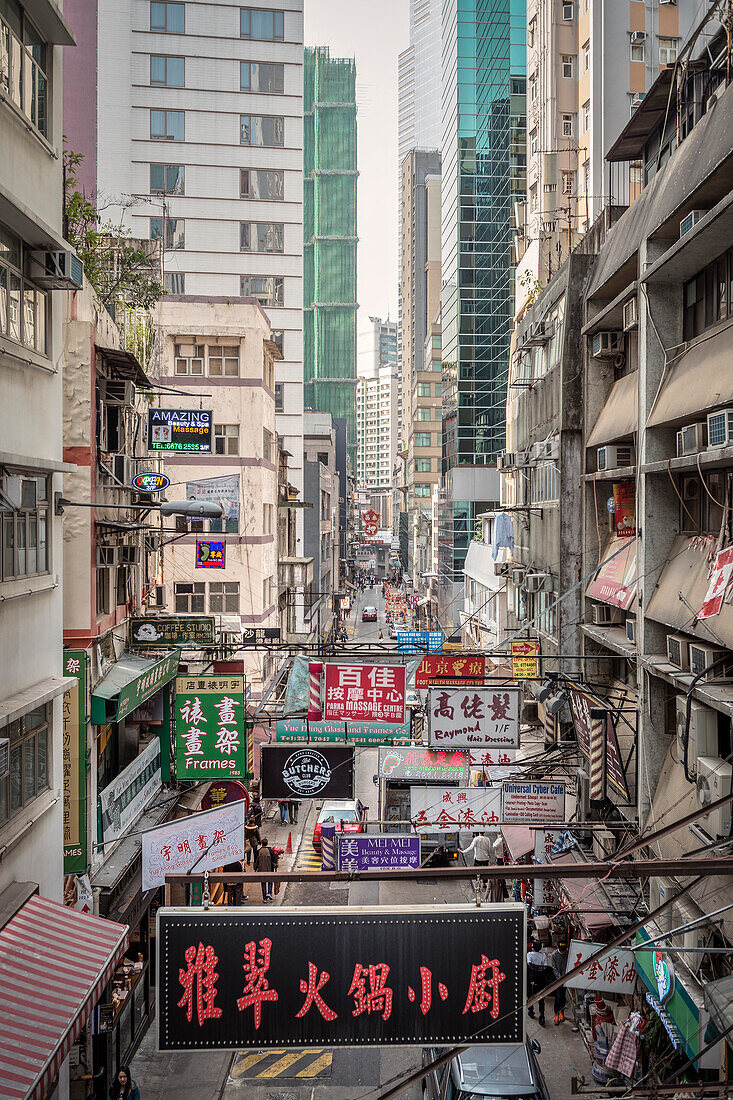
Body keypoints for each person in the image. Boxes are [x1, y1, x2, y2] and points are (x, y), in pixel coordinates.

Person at [526, 940, 551, 1027]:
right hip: (541, 980)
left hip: (532, 980)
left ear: (533, 947)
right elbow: (544, 967)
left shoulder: (529, 955)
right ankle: (542, 1015)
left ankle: (531, 1011)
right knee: (541, 999)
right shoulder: (543, 955)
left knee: (530, 997)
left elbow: (529, 966)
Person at [550, 941, 569, 1025]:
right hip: (557, 981)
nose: (563, 951)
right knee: (557, 998)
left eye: (564, 950)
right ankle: (556, 1016)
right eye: (561, 950)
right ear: (558, 948)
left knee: (563, 997)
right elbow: (554, 968)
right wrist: (559, 978)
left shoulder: (567, 954)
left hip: (565, 980)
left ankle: (562, 1014)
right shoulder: (554, 955)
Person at [255, 837, 273, 902]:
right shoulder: (270, 850)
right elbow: (274, 860)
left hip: (261, 870)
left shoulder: (258, 851)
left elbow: (256, 861)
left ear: (262, 844)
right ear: (267, 844)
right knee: (270, 881)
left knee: (263, 883)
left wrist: (255, 868)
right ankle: (270, 893)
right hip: (270, 870)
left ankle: (264, 898)